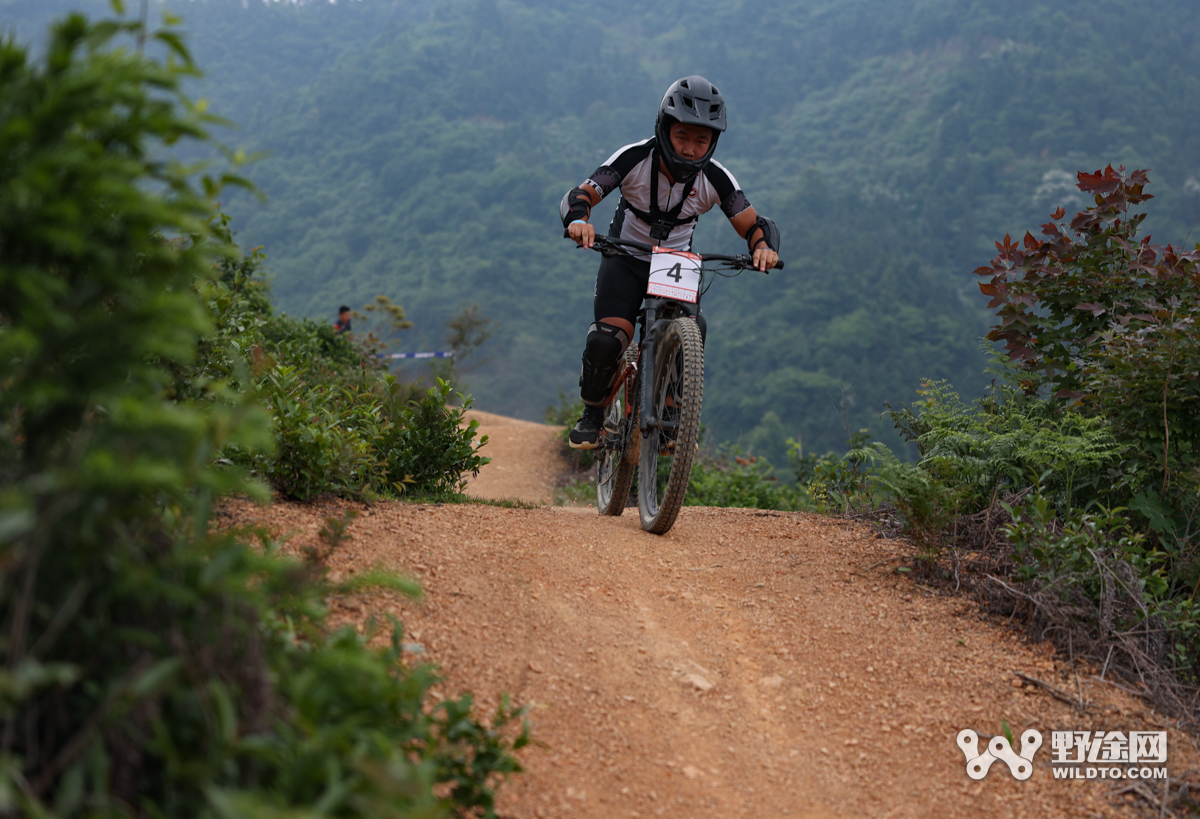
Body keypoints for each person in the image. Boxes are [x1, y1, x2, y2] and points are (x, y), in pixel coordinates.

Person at [560, 75, 780, 449]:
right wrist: (579, 222)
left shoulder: (715, 179)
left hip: (674, 263)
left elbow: (755, 225)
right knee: (607, 340)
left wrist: (763, 248)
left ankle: (671, 416)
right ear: (664, 129)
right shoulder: (633, 159)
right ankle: (593, 414)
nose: (692, 149)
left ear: (713, 142)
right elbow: (580, 195)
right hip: (625, 256)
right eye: (683, 137)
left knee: (691, 328)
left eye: (702, 141)